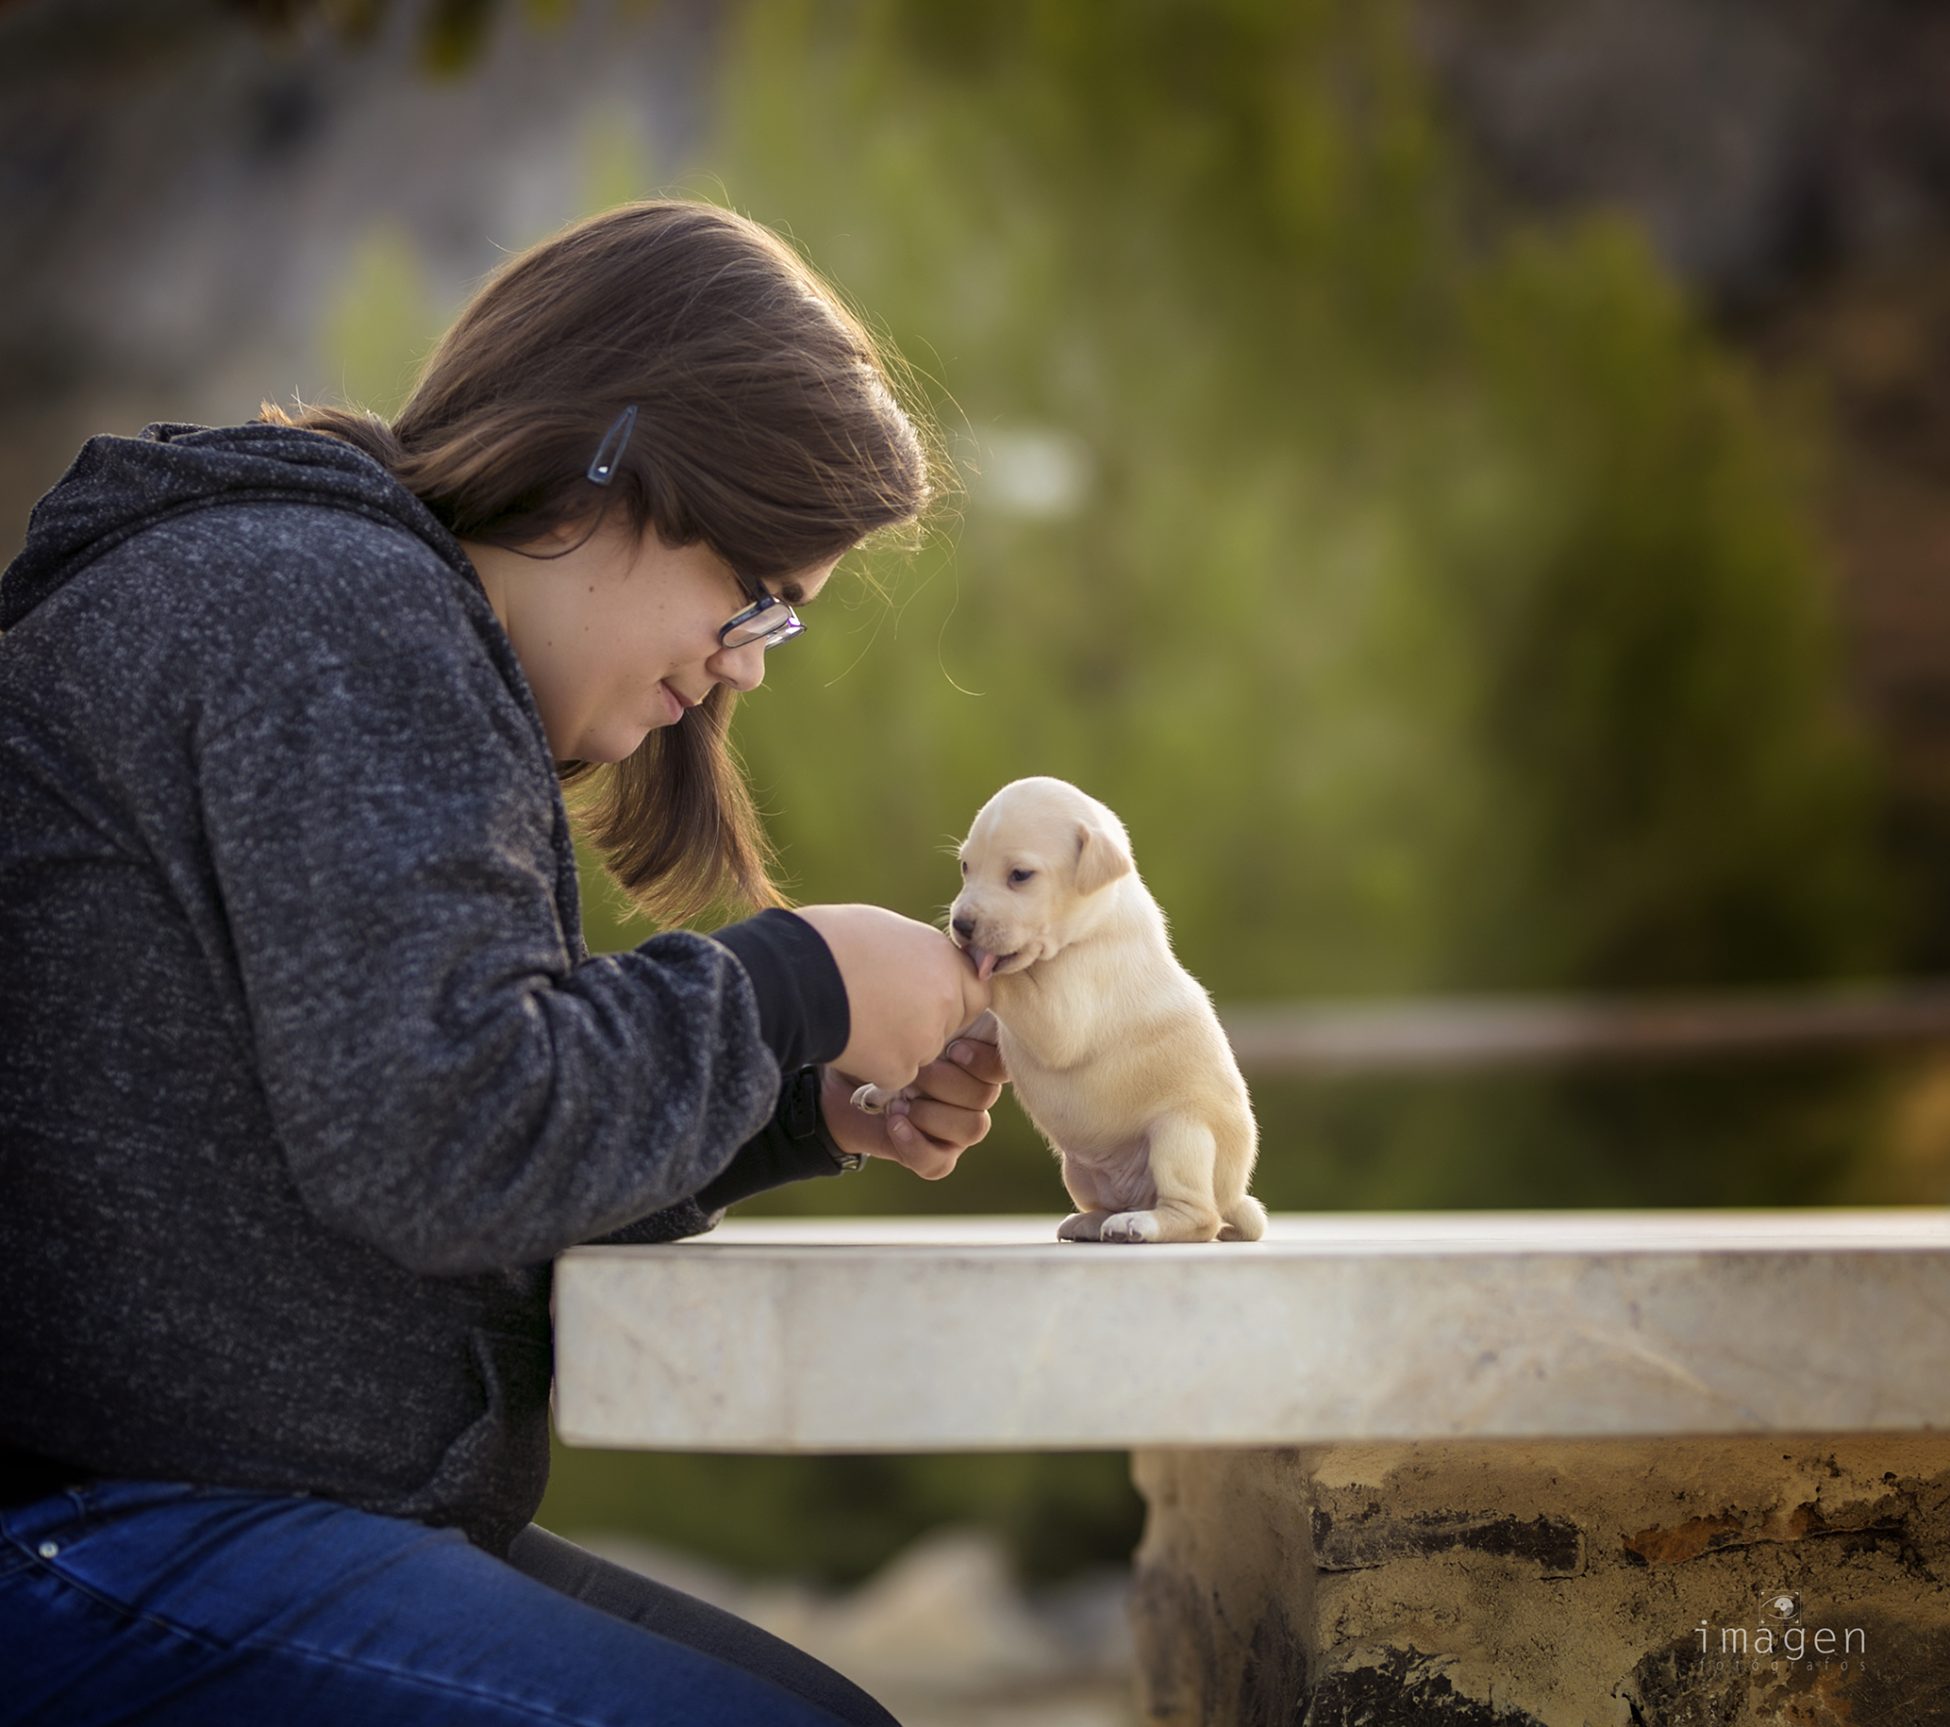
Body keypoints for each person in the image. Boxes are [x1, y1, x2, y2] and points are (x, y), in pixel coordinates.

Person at [0, 198, 1008, 1726]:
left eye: (777, 626)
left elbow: (411, 1127)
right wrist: (792, 983)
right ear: (614, 465)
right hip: (96, 1527)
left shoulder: (343, 607)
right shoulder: (324, 608)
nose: (743, 661)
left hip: (200, 1505)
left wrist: (794, 1103)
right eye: (754, 597)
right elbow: (443, 1132)